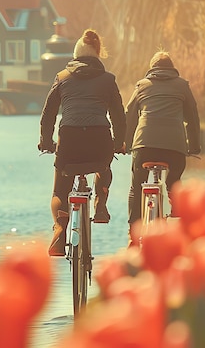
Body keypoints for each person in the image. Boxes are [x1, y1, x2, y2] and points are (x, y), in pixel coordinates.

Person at [39, 29, 126, 257]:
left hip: (69, 139)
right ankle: (100, 204)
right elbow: (118, 114)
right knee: (103, 166)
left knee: (60, 189)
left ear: (75, 55)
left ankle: (60, 229)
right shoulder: (108, 80)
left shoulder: (62, 77)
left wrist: (46, 142)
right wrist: (119, 142)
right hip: (99, 137)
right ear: (98, 55)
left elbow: (48, 114)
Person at [124, 50, 201, 244]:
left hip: (144, 145)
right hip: (174, 147)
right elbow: (192, 116)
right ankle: (175, 204)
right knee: (174, 177)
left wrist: (124, 143)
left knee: (136, 185)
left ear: (152, 69)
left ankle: (133, 234)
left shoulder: (142, 85)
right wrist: (194, 145)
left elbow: (130, 114)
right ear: (172, 68)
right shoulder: (182, 86)